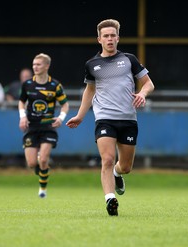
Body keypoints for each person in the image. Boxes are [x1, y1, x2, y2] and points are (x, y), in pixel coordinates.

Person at [66, 19, 155, 216]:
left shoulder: (129, 59)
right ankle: (110, 199)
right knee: (106, 159)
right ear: (99, 39)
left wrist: (142, 94)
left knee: (126, 167)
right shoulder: (92, 64)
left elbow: (148, 83)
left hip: (128, 119)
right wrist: (80, 116)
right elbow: (89, 91)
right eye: (106, 36)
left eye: (113, 35)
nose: (110, 39)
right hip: (104, 117)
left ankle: (117, 173)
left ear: (118, 38)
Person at [19, 53, 69, 198]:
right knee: (31, 163)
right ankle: (42, 170)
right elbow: (21, 101)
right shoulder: (28, 84)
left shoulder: (55, 85)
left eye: (38, 64)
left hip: (48, 127)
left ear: (47, 66)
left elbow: (65, 104)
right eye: (34, 64)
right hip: (32, 127)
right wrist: (22, 117)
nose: (35, 67)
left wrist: (61, 118)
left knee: (44, 159)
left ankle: (43, 190)